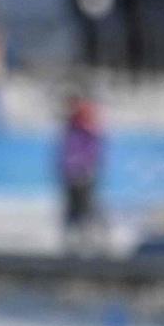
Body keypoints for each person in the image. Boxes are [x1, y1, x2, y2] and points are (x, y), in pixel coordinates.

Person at [56, 89, 106, 254]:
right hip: (72, 173)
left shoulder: (87, 127)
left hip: (83, 173)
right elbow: (66, 150)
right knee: (73, 207)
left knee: (86, 206)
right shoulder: (71, 126)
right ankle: (74, 239)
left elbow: (91, 151)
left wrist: (85, 167)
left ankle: (92, 237)